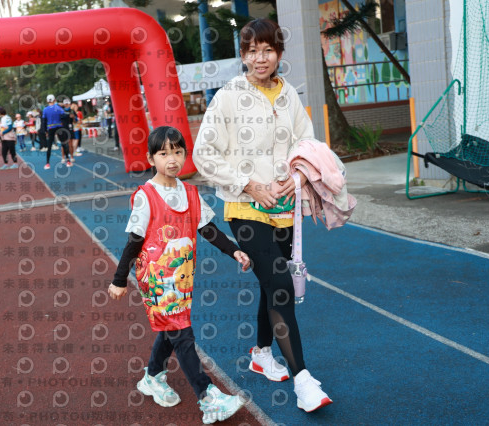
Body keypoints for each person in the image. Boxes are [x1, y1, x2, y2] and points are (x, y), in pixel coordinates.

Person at [193, 18, 345, 413]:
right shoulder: (228, 97)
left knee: (269, 283)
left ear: (278, 53)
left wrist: (299, 177)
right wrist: (248, 184)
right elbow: (203, 154)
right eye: (252, 51)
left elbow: (307, 144)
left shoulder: (288, 94)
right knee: (280, 284)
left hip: (284, 209)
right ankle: (303, 380)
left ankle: (261, 352)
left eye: (268, 50)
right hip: (245, 207)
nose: (260, 58)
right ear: (243, 55)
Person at [108, 126, 251, 424]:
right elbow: (134, 240)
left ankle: (152, 376)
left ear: (185, 155)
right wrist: (120, 279)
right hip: (157, 279)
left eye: (177, 152)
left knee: (171, 328)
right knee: (182, 333)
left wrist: (234, 251)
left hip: (183, 277)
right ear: (151, 159)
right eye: (163, 153)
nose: (172, 159)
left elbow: (207, 228)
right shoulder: (146, 196)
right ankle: (208, 397)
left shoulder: (190, 193)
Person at [41, 94, 67, 169]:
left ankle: (47, 163)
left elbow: (44, 121)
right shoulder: (58, 108)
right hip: (59, 127)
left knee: (49, 146)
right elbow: (64, 116)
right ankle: (68, 160)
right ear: (54, 100)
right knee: (63, 143)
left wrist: (45, 131)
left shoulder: (45, 109)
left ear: (47, 101)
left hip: (50, 128)